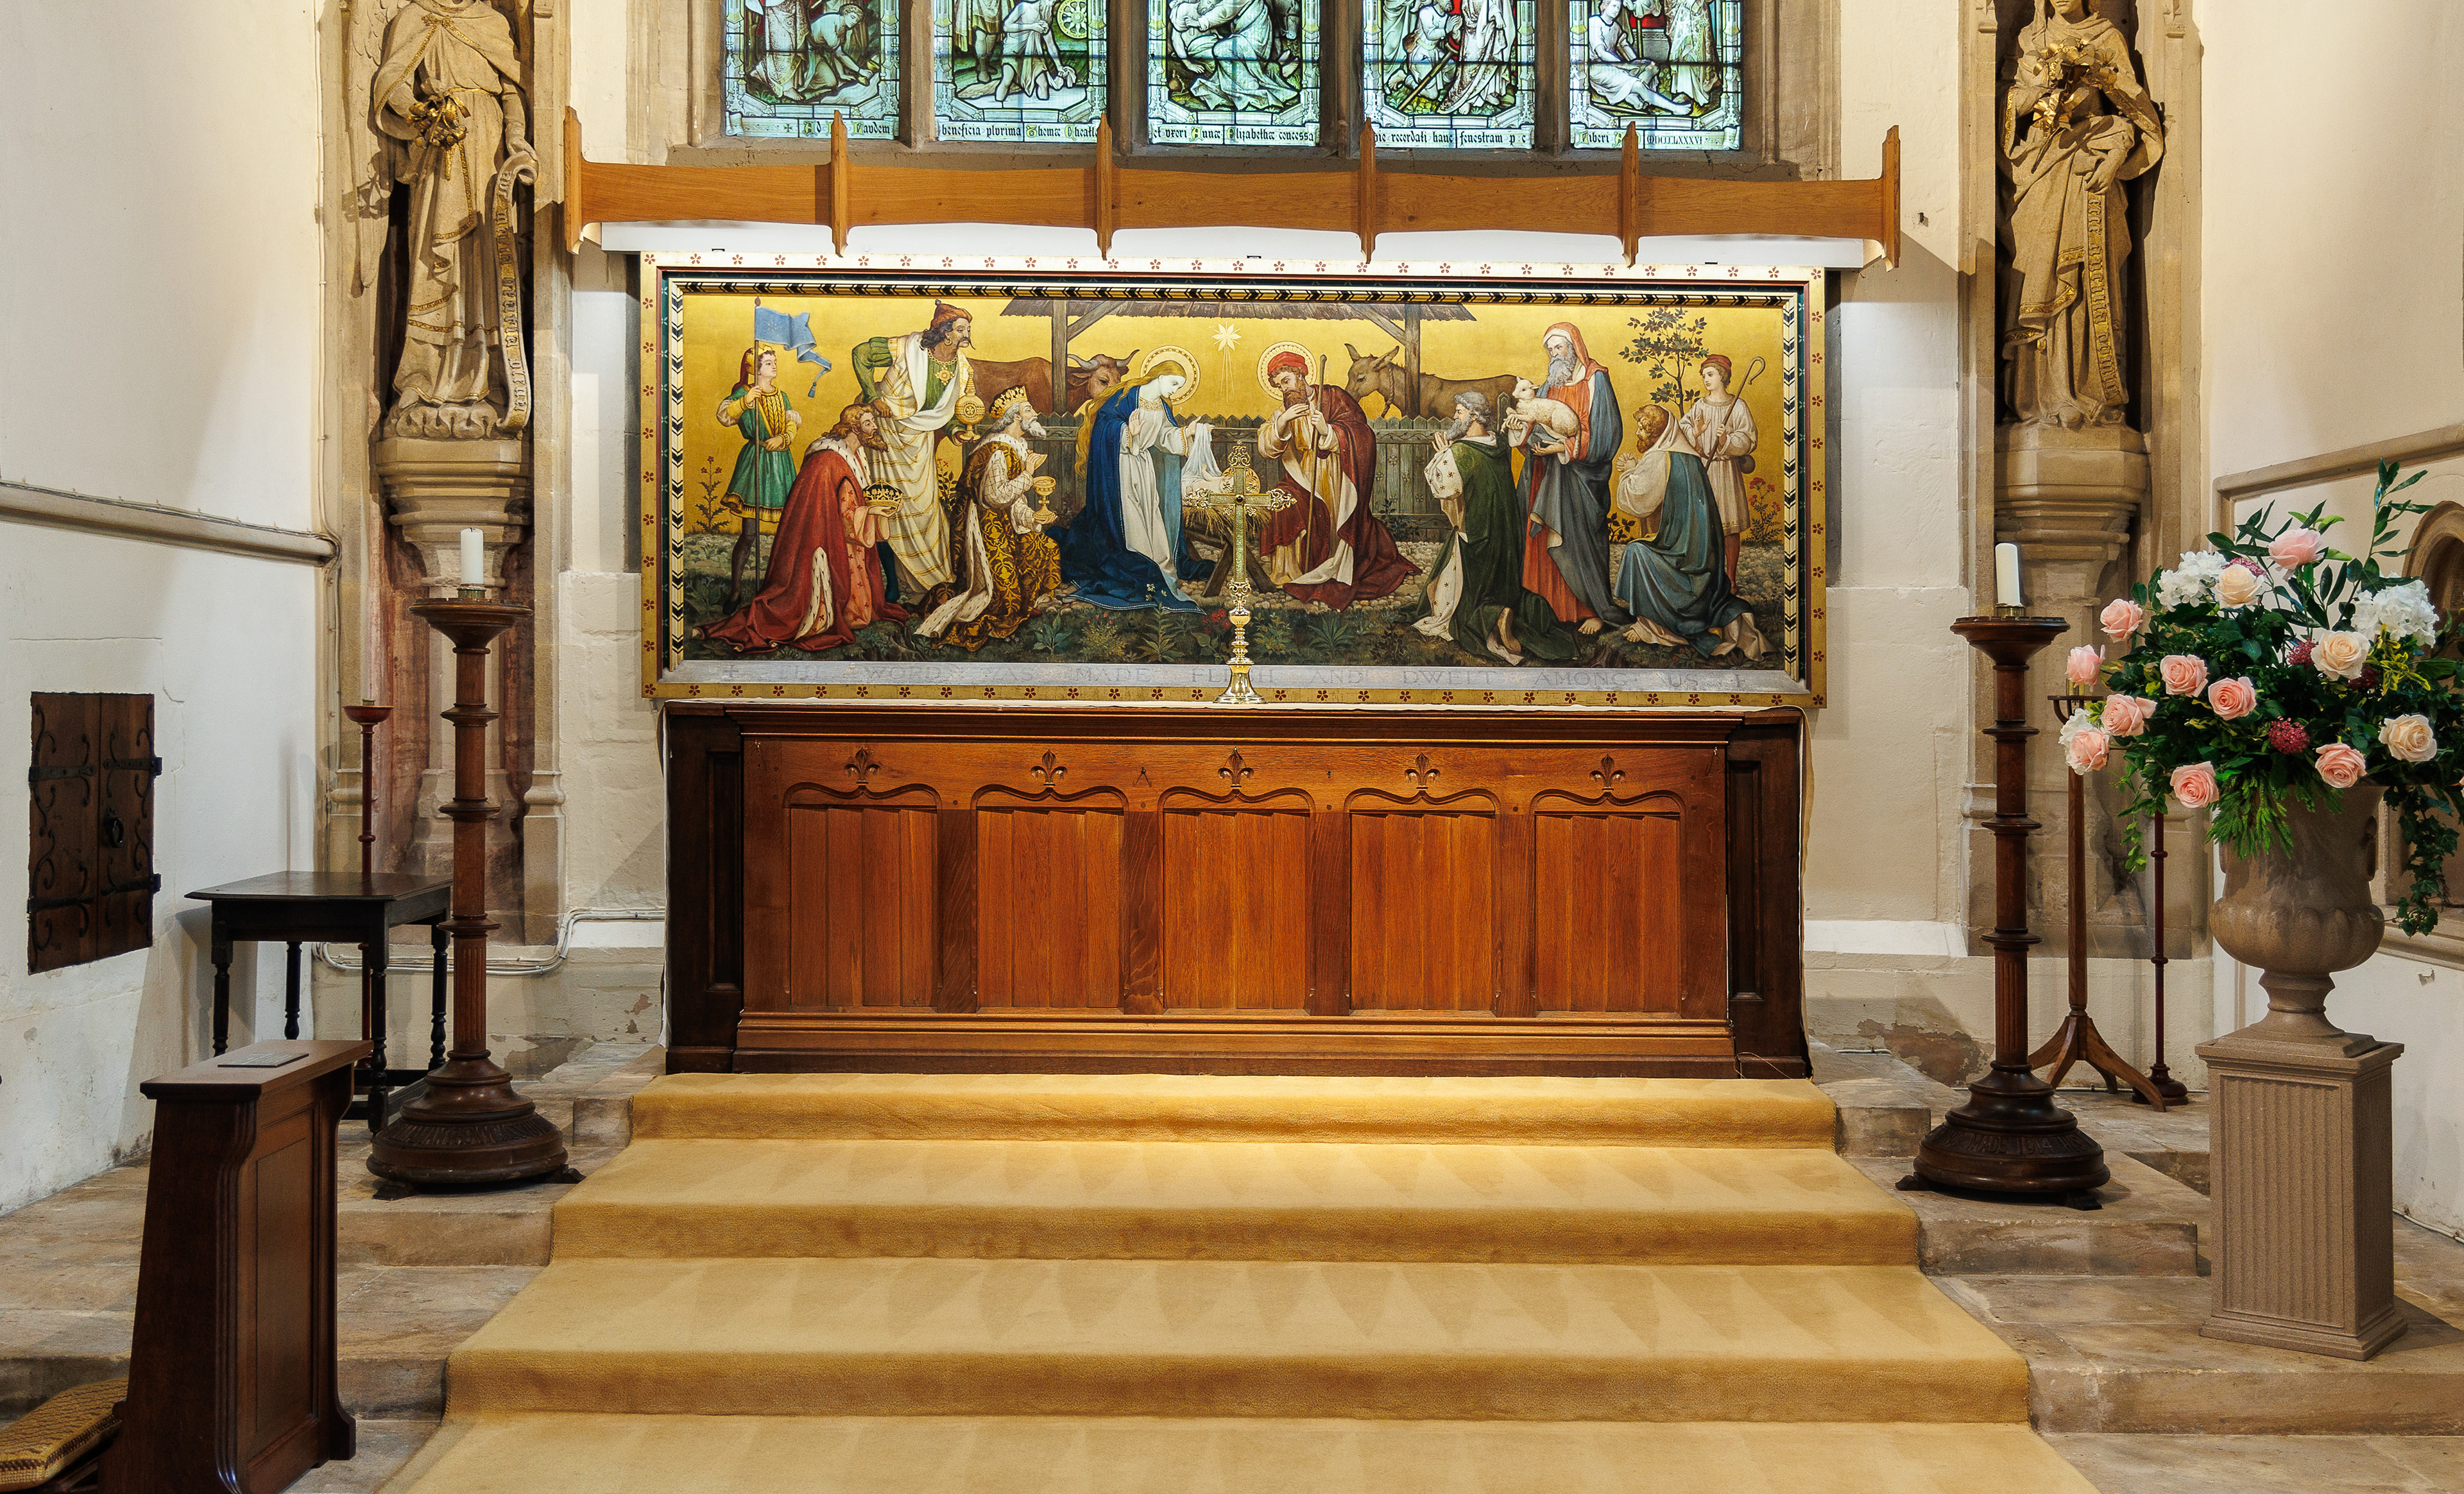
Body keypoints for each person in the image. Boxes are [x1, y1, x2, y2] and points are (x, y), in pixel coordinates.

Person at [2001, 0, 2162, 430]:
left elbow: (2132, 109)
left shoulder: (2107, 36)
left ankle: (2087, 394)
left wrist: (2114, 151)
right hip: (2039, 167)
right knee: (2036, 272)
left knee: (2089, 277)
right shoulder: (2028, 39)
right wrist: (2044, 93)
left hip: (2089, 162)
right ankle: (2038, 397)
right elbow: (2006, 105)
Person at [699, 402, 907, 654]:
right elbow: (840, 516)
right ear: (854, 428)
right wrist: (872, 511)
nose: (874, 427)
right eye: (868, 423)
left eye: (873, 422)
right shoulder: (829, 461)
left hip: (850, 545)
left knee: (861, 610)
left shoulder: (855, 456)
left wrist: (874, 508)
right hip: (827, 545)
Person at [1414, 392, 1576, 665]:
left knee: (1453, 605)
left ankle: (1493, 616)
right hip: (1505, 535)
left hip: (1476, 536)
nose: (1455, 416)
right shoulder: (1498, 444)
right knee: (1497, 583)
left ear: (1475, 416)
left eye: (1460, 411)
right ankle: (1502, 610)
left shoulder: (1460, 452)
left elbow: (1446, 489)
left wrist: (1443, 455)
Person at [1255, 348, 1416, 609]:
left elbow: (1362, 432)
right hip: (1302, 479)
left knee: (1333, 518)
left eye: (1286, 382)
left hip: (1337, 477)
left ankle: (1332, 565)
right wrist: (1282, 422)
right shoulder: (1283, 412)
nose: (1283, 390)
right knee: (1282, 504)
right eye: (1278, 386)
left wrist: (1329, 431)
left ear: (1301, 374)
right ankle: (1291, 574)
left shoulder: (1333, 398)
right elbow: (1267, 448)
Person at [1611, 402, 1766, 660]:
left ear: (1657, 433)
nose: (1638, 433)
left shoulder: (1662, 457)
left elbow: (1637, 500)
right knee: (1642, 547)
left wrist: (1628, 473)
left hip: (1682, 558)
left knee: (1635, 552)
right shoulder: (1689, 457)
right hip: (1703, 560)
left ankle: (1652, 626)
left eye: (1643, 428)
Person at [1059, 359, 1214, 611]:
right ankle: (1138, 561)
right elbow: (1105, 427)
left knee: (1151, 512)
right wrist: (1126, 431)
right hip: (1120, 468)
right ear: (1160, 377)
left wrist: (1185, 432)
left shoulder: (1162, 406)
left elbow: (1164, 438)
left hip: (1144, 468)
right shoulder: (1125, 398)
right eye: (1174, 383)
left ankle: (1159, 564)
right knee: (1130, 517)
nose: (1175, 390)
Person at [918, 388, 1065, 648]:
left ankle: (1029, 601)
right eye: (1029, 410)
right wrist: (1028, 475)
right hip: (986, 527)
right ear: (1015, 417)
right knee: (1002, 601)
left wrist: (1033, 516)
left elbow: (1014, 501)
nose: (1036, 413)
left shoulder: (1018, 445)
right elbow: (995, 498)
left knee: (1046, 548)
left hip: (1006, 522)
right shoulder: (997, 449)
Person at [850, 302, 976, 599]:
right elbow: (861, 354)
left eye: (968, 330)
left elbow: (954, 409)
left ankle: (926, 581)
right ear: (945, 333)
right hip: (888, 434)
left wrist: (957, 430)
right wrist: (871, 395)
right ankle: (892, 584)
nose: (966, 335)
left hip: (920, 442)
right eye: (961, 330)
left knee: (924, 509)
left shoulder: (963, 369)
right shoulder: (908, 347)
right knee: (887, 507)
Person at [1519, 323, 1629, 634]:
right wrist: (1524, 433)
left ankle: (1592, 609)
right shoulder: (1548, 385)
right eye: (1551, 349)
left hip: (1582, 478)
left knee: (1581, 541)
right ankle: (1554, 608)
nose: (1555, 354)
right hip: (1549, 476)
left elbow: (1607, 435)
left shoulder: (1596, 380)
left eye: (1560, 348)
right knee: (1546, 543)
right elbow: (1535, 423)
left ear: (1575, 347)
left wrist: (1564, 447)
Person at [716, 346, 801, 613]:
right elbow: (725, 418)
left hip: (781, 463)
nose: (773, 366)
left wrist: (785, 438)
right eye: (767, 362)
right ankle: (736, 591)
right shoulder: (744, 394)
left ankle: (780, 591)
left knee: (784, 533)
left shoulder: (782, 395)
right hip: (755, 462)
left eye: (774, 361)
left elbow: (790, 422)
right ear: (754, 368)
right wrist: (745, 401)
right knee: (749, 534)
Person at [1674, 353, 1756, 585]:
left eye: (1710, 375)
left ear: (1723, 376)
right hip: (1704, 470)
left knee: (1730, 527)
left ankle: (1730, 578)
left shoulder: (1738, 406)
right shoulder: (1700, 405)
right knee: (1704, 525)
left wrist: (1726, 442)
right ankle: (1708, 576)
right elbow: (1683, 428)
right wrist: (1696, 434)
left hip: (1727, 471)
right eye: (1703, 376)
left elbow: (1749, 438)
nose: (1706, 380)